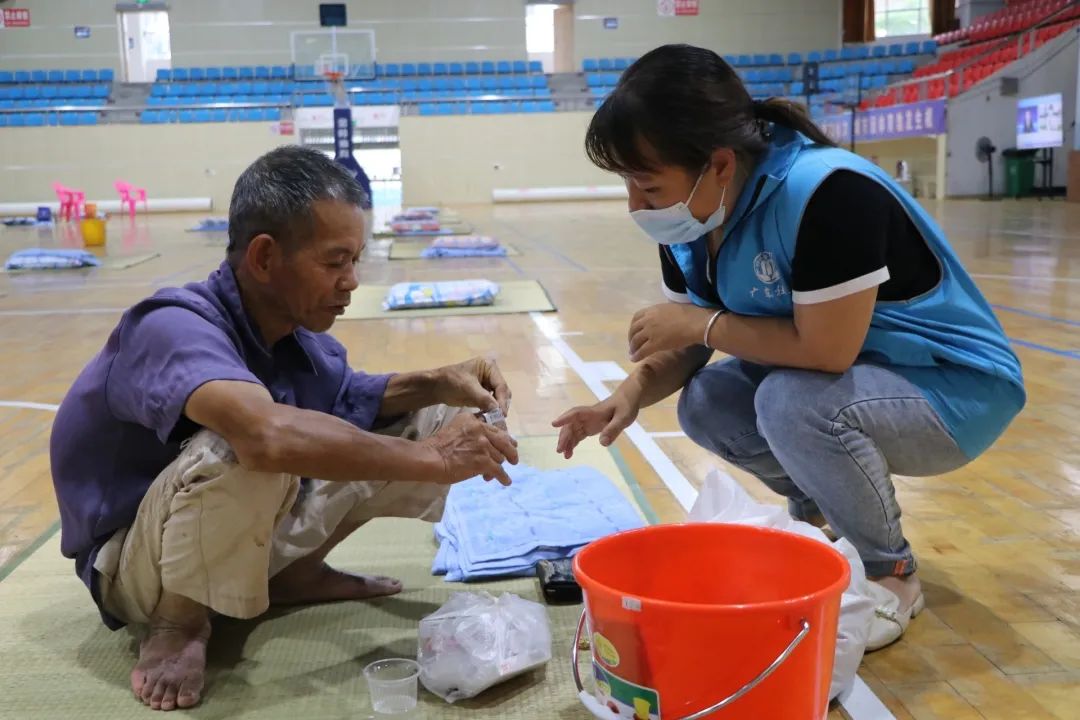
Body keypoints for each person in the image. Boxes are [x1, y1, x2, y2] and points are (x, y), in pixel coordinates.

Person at [553, 45, 1025, 650]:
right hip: (855, 377)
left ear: (719, 165)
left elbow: (824, 352)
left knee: (791, 401)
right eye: (628, 184)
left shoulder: (828, 191)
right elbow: (690, 339)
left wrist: (700, 324)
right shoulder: (690, 218)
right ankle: (824, 519)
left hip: (952, 390)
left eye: (646, 185)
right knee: (707, 401)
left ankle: (890, 570)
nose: (634, 205)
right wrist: (627, 394)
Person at [50, 145, 519, 711]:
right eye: (335, 262)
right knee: (243, 448)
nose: (351, 281)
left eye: (355, 260)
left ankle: (296, 574)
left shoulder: (296, 339)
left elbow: (354, 401)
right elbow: (264, 436)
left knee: (431, 418)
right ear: (265, 257)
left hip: (222, 533)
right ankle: (178, 622)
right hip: (131, 566)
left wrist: (438, 382)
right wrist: (437, 459)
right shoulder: (170, 326)